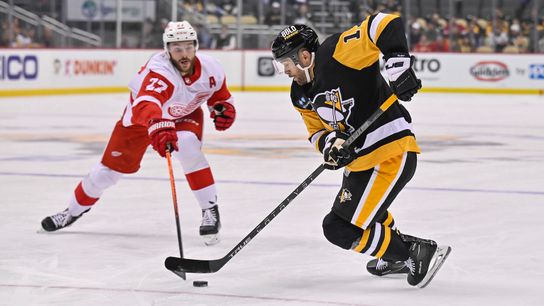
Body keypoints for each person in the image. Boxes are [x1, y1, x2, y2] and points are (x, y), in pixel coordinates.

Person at [271, 14, 451, 288]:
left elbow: (383, 23)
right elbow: (317, 132)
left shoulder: (336, 54)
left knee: (338, 228)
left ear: (304, 56)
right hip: (362, 162)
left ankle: (414, 253)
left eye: (286, 63)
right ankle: (394, 256)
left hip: (389, 152)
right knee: (367, 214)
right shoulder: (300, 94)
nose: (285, 71)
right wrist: (330, 144)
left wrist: (397, 64)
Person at [41, 21, 236, 246]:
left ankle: (210, 210)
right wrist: (157, 124)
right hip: (141, 121)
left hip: (183, 115)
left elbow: (219, 94)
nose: (184, 54)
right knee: (105, 174)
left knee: (188, 145)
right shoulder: (160, 72)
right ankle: (71, 212)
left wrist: (222, 108)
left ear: (196, 46)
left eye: (188, 47)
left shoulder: (212, 67)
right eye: (177, 49)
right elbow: (147, 104)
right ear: (167, 50)